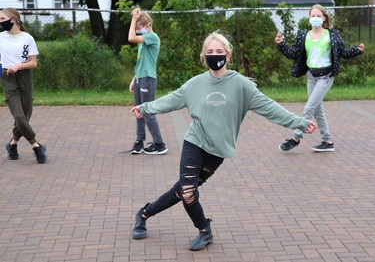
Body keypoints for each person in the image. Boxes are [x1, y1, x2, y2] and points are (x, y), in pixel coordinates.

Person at [130, 31, 318, 251]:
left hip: (218, 150)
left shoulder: (241, 85)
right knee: (189, 191)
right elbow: (173, 99)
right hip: (195, 141)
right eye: (210, 52)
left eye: (219, 51)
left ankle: (144, 213)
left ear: (228, 56)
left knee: (182, 190)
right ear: (203, 56)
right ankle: (204, 230)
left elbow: (269, 108)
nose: (214, 55)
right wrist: (145, 107)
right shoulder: (195, 84)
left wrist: (300, 122)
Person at [275, 4, 365, 152]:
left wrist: (356, 50)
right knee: (317, 110)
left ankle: (295, 138)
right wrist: (281, 44)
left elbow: (343, 52)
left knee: (309, 108)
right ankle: (327, 141)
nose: (315, 18)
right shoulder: (303, 35)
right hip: (311, 76)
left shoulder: (332, 35)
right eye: (313, 16)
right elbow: (293, 54)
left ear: (324, 18)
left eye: (318, 16)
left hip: (326, 76)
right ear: (309, 18)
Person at [0, 7, 47, 164]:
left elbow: (33, 63)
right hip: (8, 78)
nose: (0, 22)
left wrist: (19, 66)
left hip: (25, 77)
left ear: (13, 19)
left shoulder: (27, 38)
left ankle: (12, 144)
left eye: (2, 19)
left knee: (25, 115)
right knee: (19, 116)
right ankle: (36, 146)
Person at [128, 7, 168, 155]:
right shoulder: (143, 43)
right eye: (137, 29)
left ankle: (159, 144)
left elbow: (131, 38)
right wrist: (134, 79)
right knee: (138, 111)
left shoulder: (153, 37)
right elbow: (141, 63)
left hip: (148, 80)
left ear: (148, 25)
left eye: (140, 28)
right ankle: (139, 141)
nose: (138, 31)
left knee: (147, 111)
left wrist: (134, 19)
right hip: (140, 79)